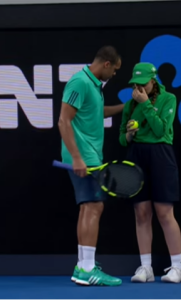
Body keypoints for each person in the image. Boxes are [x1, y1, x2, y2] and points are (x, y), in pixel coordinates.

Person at [58, 46, 124, 286]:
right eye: (115, 70)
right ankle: (86, 268)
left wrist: (124, 108)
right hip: (84, 157)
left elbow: (97, 113)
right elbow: (64, 120)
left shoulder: (94, 85)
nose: (115, 74)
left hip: (91, 156)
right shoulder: (80, 82)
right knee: (94, 206)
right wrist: (76, 157)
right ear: (106, 64)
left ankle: (82, 266)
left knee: (89, 207)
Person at [119, 62, 181, 283]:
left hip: (161, 155)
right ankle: (146, 268)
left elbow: (160, 131)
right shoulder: (130, 104)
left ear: (153, 81)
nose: (138, 88)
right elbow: (122, 138)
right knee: (141, 213)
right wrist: (129, 135)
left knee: (164, 213)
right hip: (137, 156)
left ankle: (178, 268)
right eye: (135, 84)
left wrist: (146, 104)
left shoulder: (169, 99)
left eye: (143, 84)